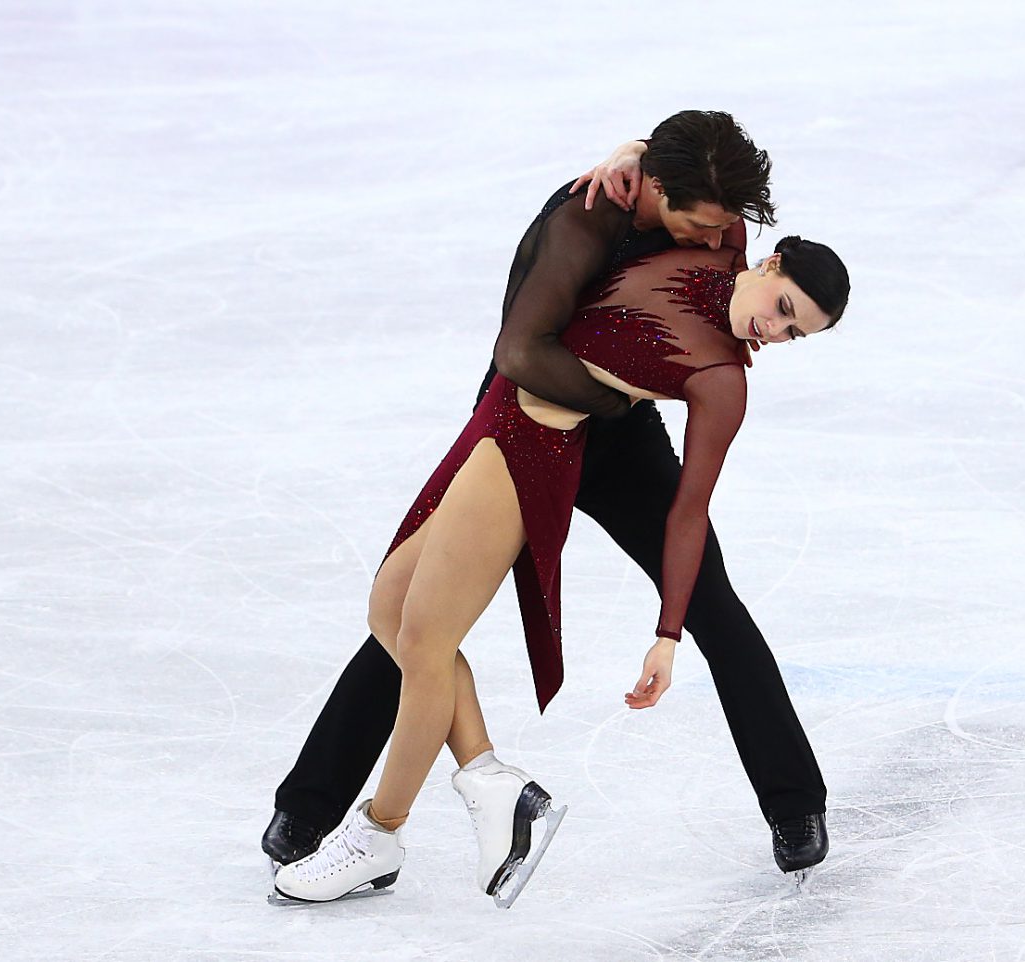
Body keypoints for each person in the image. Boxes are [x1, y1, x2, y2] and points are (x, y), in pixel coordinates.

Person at [264, 110, 834, 894]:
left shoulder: (709, 209)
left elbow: (689, 165)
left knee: (713, 600)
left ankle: (795, 803)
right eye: (700, 227)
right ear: (658, 193)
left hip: (620, 438)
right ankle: (313, 803)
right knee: (422, 613)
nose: (714, 243)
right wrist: (614, 395)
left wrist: (636, 145)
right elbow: (520, 349)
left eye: (723, 229)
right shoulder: (582, 218)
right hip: (536, 418)